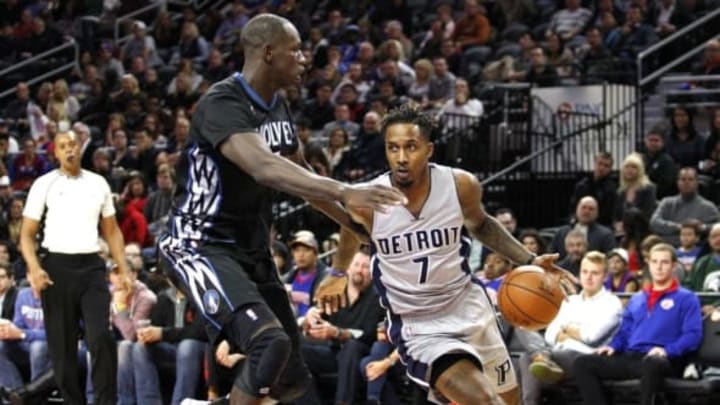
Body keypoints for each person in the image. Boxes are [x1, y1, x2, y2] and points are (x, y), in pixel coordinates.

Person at [156, 14, 406, 405]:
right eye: (296, 50)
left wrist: (354, 225)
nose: (305, 58)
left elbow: (301, 177)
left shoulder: (277, 107)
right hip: (199, 246)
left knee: (291, 376)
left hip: (250, 251)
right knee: (268, 343)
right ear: (269, 52)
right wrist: (345, 189)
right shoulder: (222, 102)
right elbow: (264, 167)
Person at [318, 105, 574, 405]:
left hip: (469, 309)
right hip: (420, 325)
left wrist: (529, 260)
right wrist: (337, 273)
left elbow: (480, 224)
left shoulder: (460, 185)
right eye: (393, 148)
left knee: (509, 402)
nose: (401, 158)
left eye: (411, 147)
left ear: (429, 149)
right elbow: (351, 229)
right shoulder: (367, 199)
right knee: (483, 400)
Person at [19, 130, 131, 405]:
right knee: (63, 349)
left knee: (101, 337)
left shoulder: (98, 183)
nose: (69, 149)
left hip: (92, 266)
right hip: (56, 268)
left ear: (80, 148)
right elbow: (26, 234)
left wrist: (123, 266)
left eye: (73, 144)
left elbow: (112, 230)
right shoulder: (44, 184)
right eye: (63, 146)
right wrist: (34, 268)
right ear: (55, 153)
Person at [573, 243, 703, 405]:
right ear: (648, 264)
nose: (659, 267)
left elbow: (693, 336)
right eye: (654, 262)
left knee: (652, 363)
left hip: (665, 360)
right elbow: (624, 332)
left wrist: (667, 350)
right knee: (583, 363)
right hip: (632, 357)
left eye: (664, 262)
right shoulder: (637, 298)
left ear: (674, 266)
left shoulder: (687, 298)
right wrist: (613, 346)